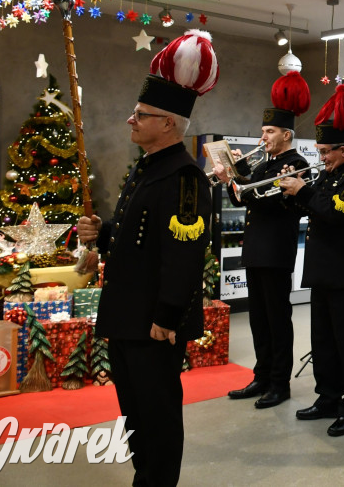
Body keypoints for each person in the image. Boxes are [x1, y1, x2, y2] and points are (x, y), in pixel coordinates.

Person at [77, 30, 219, 486]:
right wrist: (102, 234)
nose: (130, 120)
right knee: (135, 411)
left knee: (156, 414)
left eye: (141, 115)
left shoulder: (185, 179)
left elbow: (183, 255)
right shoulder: (147, 169)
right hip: (127, 314)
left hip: (153, 322)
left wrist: (168, 316)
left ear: (169, 124)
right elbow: (139, 238)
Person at [280, 84, 344, 437]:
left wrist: (303, 191)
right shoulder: (329, 173)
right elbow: (314, 209)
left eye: (326, 152)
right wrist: (291, 193)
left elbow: (335, 213)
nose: (322, 157)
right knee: (323, 342)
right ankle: (328, 396)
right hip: (322, 271)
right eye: (319, 151)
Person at [221, 71, 311, 409]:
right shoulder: (262, 165)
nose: (263, 137)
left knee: (276, 318)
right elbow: (242, 198)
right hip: (256, 249)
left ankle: (279, 383)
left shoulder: (296, 164)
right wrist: (231, 177)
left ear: (286, 134)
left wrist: (245, 189)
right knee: (258, 318)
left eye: (269, 132)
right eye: (263, 131)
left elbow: (272, 201)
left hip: (275, 250)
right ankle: (261, 375)